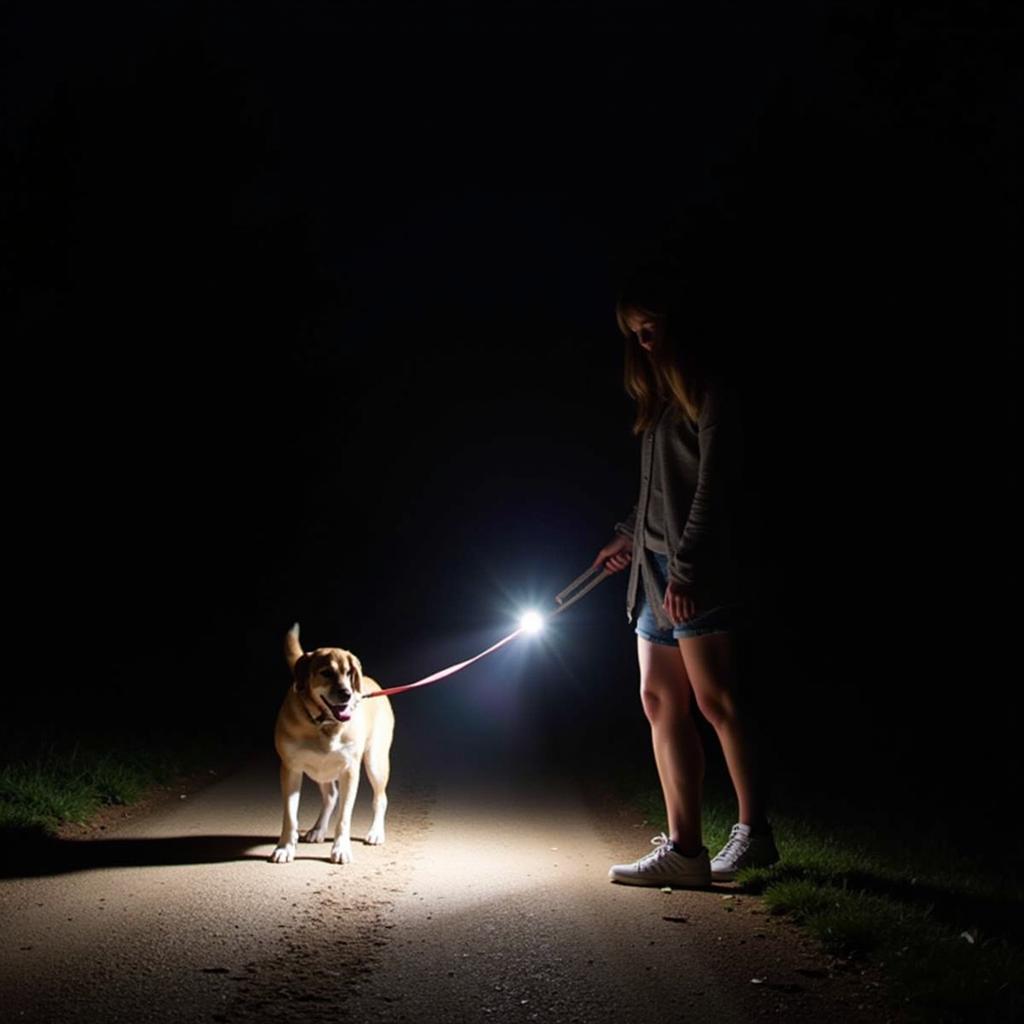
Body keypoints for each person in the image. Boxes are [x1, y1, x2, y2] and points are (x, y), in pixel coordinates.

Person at [594, 264, 779, 887]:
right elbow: (659, 490)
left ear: (678, 324)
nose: (645, 342)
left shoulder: (711, 392)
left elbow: (711, 489)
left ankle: (754, 835)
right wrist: (627, 533)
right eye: (635, 333)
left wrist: (689, 566)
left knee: (716, 701)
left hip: (694, 569)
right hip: (649, 568)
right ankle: (685, 850)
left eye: (652, 328)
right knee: (658, 700)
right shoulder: (658, 401)